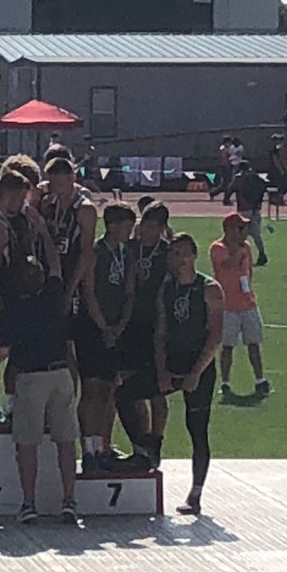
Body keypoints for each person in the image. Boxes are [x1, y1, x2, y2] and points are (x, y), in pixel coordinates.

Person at [0, 260, 79, 526]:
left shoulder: (14, 309)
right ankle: (69, 501)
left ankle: (29, 503)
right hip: (61, 373)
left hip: (31, 377)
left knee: (27, 443)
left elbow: (0, 353)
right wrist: (43, 231)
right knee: (66, 442)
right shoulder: (53, 298)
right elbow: (56, 266)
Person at [0, 159, 60, 426]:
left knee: (17, 353)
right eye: (21, 197)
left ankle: (12, 406)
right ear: (9, 196)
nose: (24, 202)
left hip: (18, 296)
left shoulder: (21, 217)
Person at [156, 232, 224, 515]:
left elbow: (215, 336)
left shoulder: (209, 288)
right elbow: (160, 333)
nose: (180, 259)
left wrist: (197, 371)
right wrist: (161, 370)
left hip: (199, 364)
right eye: (175, 254)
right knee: (135, 395)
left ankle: (196, 492)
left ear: (194, 255)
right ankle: (147, 455)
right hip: (173, 362)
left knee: (196, 428)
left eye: (185, 253)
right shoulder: (166, 289)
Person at [73, 201, 136, 472]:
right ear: (111, 226)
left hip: (117, 329)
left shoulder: (126, 253)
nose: (130, 231)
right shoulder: (96, 252)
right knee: (91, 389)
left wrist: (120, 326)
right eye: (126, 226)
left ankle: (103, 446)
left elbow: (130, 291)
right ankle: (87, 450)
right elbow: (88, 292)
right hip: (91, 328)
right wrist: (103, 326)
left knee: (109, 389)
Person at [113, 201, 171, 472]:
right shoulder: (132, 248)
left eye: (151, 227)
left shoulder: (168, 254)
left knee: (157, 392)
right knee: (130, 385)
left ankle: (156, 442)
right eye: (143, 226)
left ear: (161, 228)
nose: (145, 231)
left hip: (155, 327)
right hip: (130, 325)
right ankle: (140, 444)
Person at [31, 156, 98, 380]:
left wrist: (71, 290)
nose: (56, 189)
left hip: (71, 278)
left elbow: (86, 252)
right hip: (49, 277)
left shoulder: (84, 209)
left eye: (61, 184)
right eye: (52, 184)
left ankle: (70, 395)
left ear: (72, 179)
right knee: (50, 340)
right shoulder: (49, 204)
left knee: (68, 342)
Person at [210, 212, 270, 400]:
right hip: (227, 306)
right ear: (229, 230)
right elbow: (229, 264)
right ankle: (225, 383)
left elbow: (248, 272)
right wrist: (239, 249)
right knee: (227, 346)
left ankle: (260, 380)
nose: (245, 232)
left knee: (254, 344)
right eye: (241, 228)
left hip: (248, 304)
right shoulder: (217, 248)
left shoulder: (246, 248)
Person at [228, 163, 269, 266]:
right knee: (256, 235)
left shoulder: (238, 178)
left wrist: (226, 198)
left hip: (244, 209)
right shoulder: (256, 177)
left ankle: (240, 257)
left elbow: (230, 188)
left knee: (240, 235)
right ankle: (262, 254)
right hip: (256, 209)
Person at [269, 133, 287, 199]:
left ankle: (275, 197)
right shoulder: (279, 149)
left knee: (275, 183)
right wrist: (283, 169)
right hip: (277, 169)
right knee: (280, 184)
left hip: (274, 168)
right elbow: (279, 160)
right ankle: (278, 198)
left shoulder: (274, 149)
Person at [213, 135, 232, 202]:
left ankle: (214, 193)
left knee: (224, 184)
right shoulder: (223, 148)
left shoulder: (226, 148)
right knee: (227, 183)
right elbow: (224, 159)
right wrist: (227, 168)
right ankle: (226, 199)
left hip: (225, 166)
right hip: (224, 167)